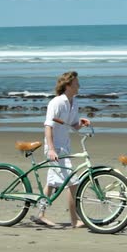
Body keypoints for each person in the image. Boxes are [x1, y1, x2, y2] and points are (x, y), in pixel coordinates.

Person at [34, 71, 90, 228]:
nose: (79, 86)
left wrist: (81, 123)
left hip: (64, 147)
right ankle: (74, 220)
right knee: (72, 182)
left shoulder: (73, 102)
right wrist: (51, 150)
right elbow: (48, 126)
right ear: (68, 85)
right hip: (54, 148)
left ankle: (40, 214)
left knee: (51, 183)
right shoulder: (57, 102)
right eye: (76, 83)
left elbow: (73, 125)